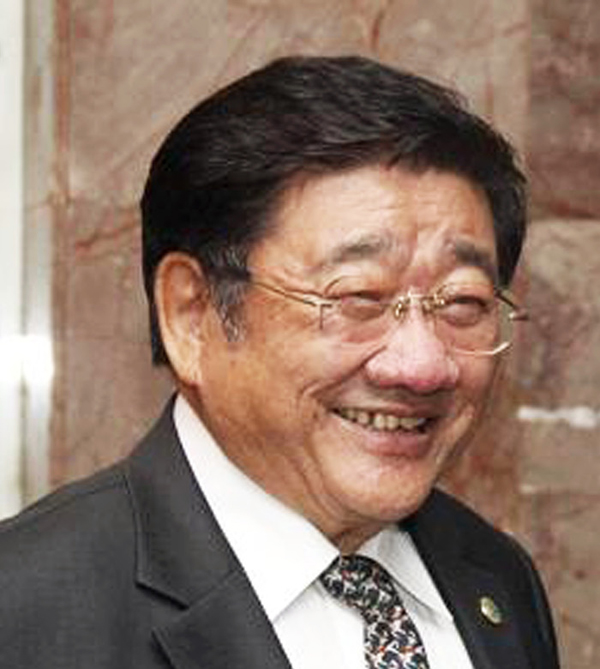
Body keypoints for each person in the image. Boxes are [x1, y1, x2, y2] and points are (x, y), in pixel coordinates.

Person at [0, 55, 559, 668]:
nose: (423, 366)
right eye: (358, 297)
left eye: (463, 302)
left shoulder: (496, 577)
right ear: (192, 314)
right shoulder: (26, 611)